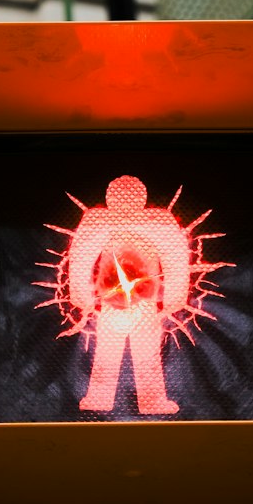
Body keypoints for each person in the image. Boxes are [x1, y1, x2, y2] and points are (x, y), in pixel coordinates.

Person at [67, 174, 191, 415]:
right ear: (110, 198)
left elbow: (175, 257)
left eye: (130, 197)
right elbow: (81, 257)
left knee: (145, 353)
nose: (125, 204)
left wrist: (175, 295)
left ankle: (149, 401)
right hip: (114, 301)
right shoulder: (102, 221)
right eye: (120, 197)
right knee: (110, 351)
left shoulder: (155, 222)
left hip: (143, 302)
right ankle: (102, 399)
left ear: (142, 198)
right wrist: (82, 295)